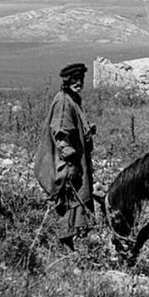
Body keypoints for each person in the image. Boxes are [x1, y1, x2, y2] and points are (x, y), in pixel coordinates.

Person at [33, 63, 97, 251]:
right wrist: (70, 163)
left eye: (81, 80)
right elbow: (61, 134)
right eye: (74, 80)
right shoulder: (63, 101)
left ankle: (72, 243)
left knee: (77, 199)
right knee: (70, 200)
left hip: (78, 161)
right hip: (67, 163)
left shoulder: (72, 99)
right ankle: (65, 245)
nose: (79, 83)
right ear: (67, 82)